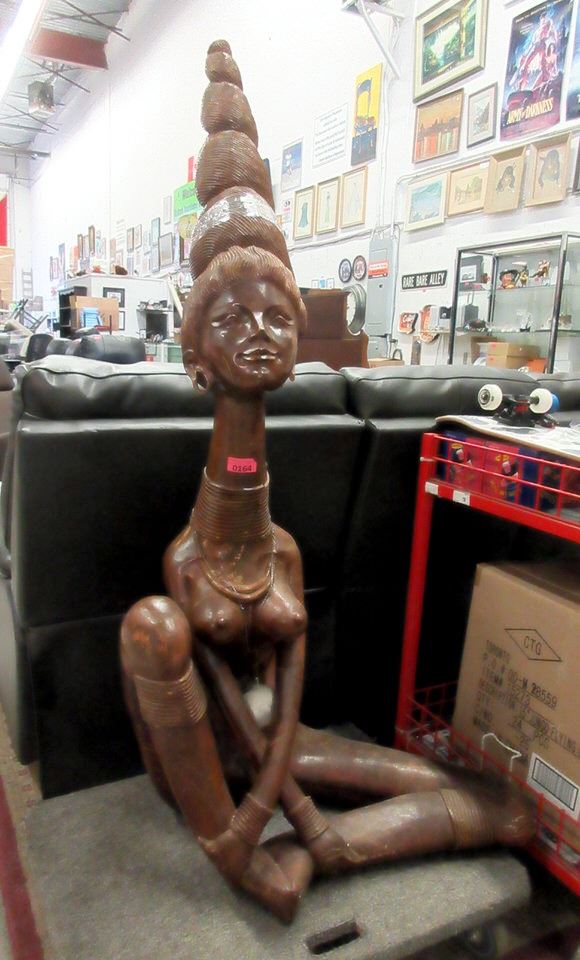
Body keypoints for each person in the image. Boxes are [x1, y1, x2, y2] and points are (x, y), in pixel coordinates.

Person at [120, 40, 534, 924]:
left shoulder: (281, 550)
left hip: (277, 750)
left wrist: (298, 823)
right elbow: (224, 698)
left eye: (278, 316)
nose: (260, 332)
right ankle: (240, 852)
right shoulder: (188, 560)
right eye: (232, 317)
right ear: (195, 358)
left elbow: (286, 700)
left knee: (506, 808)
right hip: (204, 763)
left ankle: (327, 853)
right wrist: (259, 822)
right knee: (152, 626)